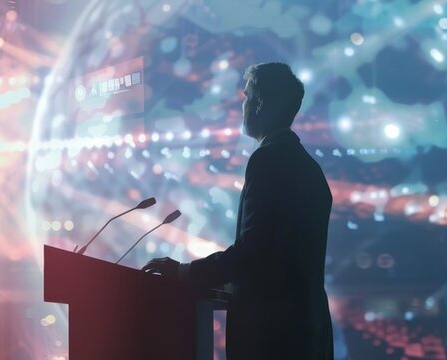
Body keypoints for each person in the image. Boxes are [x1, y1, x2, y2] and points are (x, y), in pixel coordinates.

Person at [142, 62, 334, 359]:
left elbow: (253, 251)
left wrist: (183, 272)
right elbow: (279, 254)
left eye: (245, 97)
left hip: (271, 337)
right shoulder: (309, 167)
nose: (241, 105)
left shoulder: (269, 160)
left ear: (258, 103)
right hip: (305, 331)